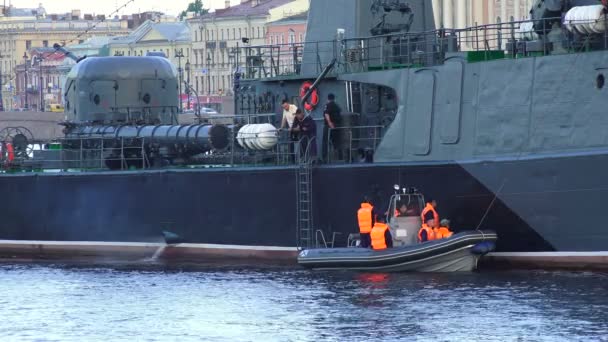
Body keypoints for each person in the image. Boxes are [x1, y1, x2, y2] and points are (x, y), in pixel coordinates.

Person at [322, 93, 343, 162]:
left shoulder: (327, 105)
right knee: (337, 142)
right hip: (337, 126)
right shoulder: (337, 106)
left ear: (328, 99)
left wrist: (330, 123)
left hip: (329, 126)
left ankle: (325, 158)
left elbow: (326, 114)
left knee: (325, 142)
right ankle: (340, 158)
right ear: (334, 98)